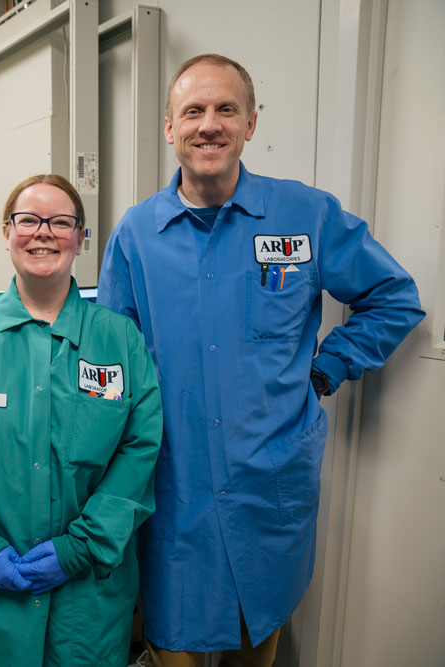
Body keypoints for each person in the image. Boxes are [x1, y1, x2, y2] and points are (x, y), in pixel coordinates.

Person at [98, 53, 425, 666]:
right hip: (174, 484)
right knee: (172, 637)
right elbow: (111, 363)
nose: (209, 124)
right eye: (192, 111)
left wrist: (329, 366)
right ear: (169, 128)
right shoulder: (137, 234)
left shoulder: (306, 215)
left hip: (269, 481)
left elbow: (394, 298)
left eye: (226, 109)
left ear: (251, 124)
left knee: (260, 633)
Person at [0, 174, 163, 666]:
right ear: (7, 234)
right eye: (28, 220)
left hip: (82, 600)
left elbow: (140, 448)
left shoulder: (119, 341)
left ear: (81, 239)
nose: (43, 232)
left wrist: (78, 548)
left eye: (61, 222)